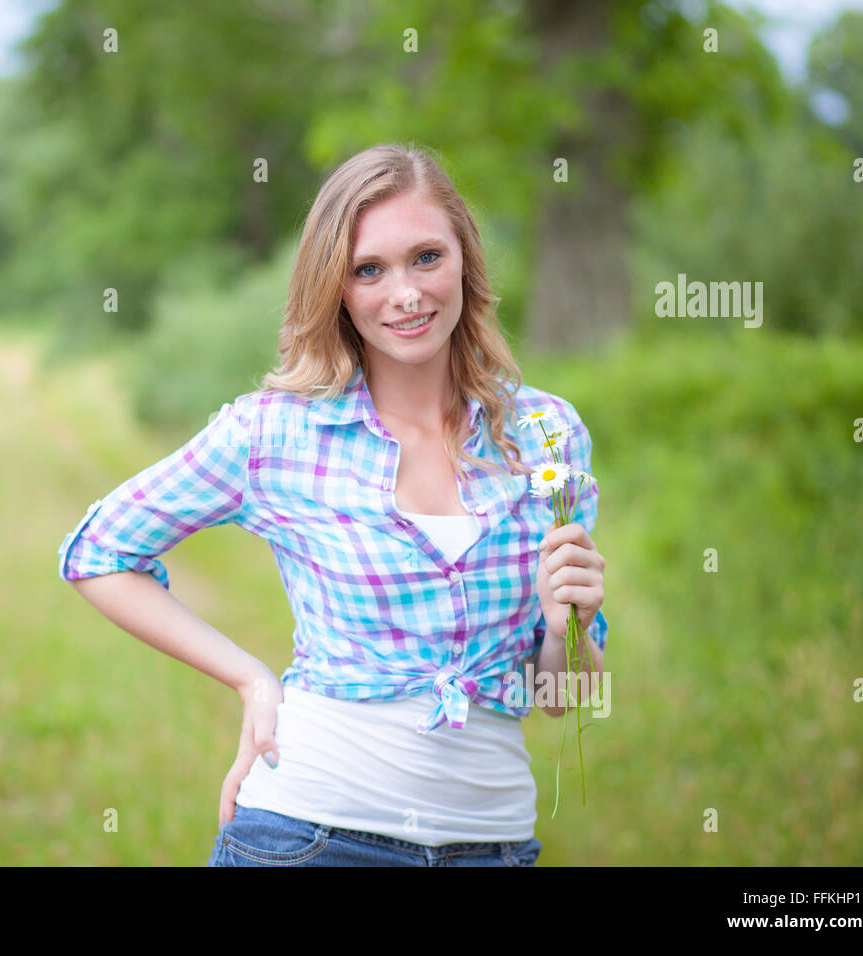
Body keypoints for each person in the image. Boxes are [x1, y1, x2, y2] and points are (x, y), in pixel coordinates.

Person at [57, 143, 607, 867]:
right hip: (309, 838)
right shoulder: (273, 432)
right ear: (337, 288)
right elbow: (97, 553)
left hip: (492, 847)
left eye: (427, 258)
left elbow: (566, 698)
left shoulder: (544, 435)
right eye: (368, 270)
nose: (405, 293)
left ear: (465, 262)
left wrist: (568, 627)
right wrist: (252, 681)